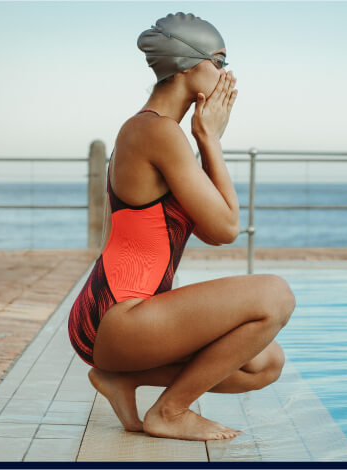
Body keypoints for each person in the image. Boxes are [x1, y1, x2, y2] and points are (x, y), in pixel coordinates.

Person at [67, 12, 296, 442]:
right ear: (190, 65)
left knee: (265, 363)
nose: (226, 75)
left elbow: (212, 230)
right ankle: (169, 412)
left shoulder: (160, 132)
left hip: (124, 319)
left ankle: (123, 380)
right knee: (275, 295)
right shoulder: (156, 130)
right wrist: (210, 139)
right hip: (117, 315)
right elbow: (229, 228)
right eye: (220, 61)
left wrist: (206, 140)